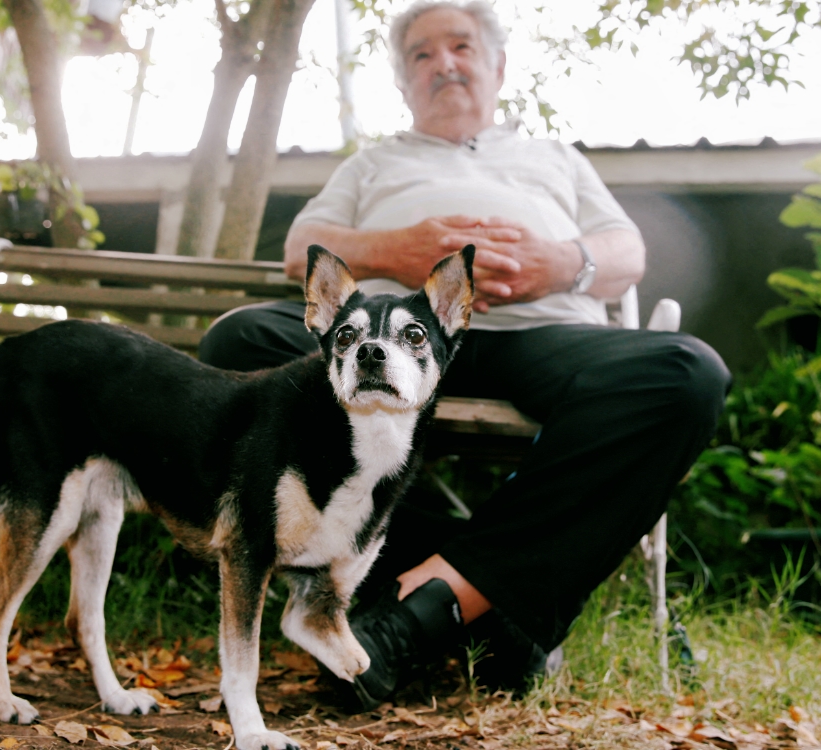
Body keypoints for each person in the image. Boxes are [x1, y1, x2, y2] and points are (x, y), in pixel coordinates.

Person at [198, 0, 730, 708]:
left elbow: (625, 252)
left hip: (539, 335)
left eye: (460, 47)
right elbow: (304, 248)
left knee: (685, 374)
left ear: (497, 67)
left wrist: (561, 263)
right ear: (402, 81)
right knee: (237, 342)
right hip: (393, 340)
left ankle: (425, 608)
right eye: (420, 54)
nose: (443, 63)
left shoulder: (554, 158)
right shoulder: (374, 163)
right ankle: (486, 601)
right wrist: (397, 252)